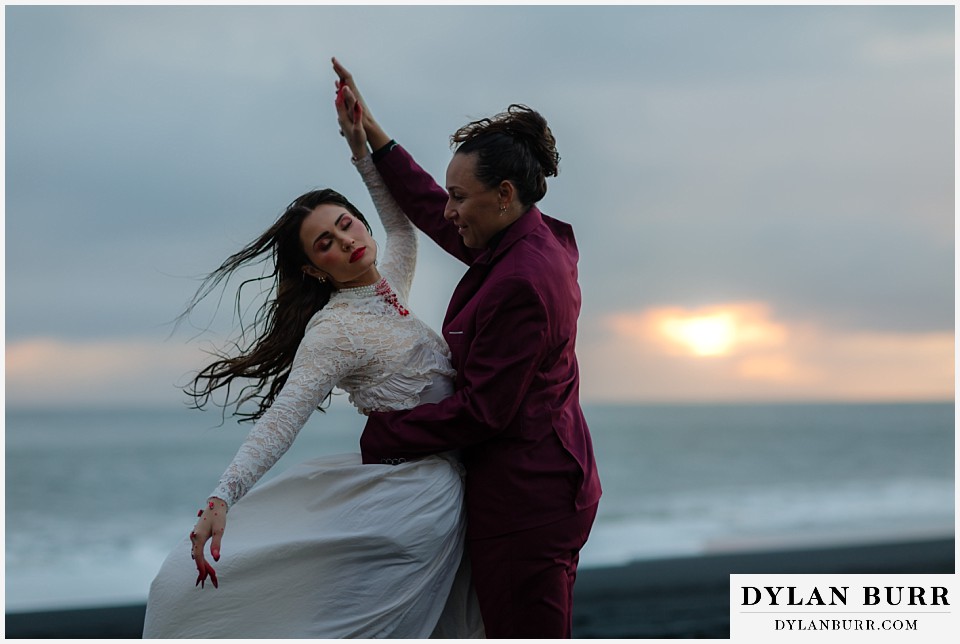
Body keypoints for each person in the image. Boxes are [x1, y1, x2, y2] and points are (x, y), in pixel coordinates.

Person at [142, 88, 483, 638]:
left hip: (442, 487)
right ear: (316, 270)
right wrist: (222, 497)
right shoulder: (334, 330)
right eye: (325, 243)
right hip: (412, 501)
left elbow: (400, 228)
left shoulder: (386, 286)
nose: (344, 240)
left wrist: (360, 149)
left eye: (346, 224)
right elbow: (284, 416)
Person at [332, 58, 602, 638]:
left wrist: (385, 432)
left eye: (462, 196)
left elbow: (485, 411)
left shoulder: (522, 281)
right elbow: (433, 209)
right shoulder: (528, 234)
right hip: (553, 478)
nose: (451, 210)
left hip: (526, 502)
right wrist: (371, 133)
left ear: (503, 195)